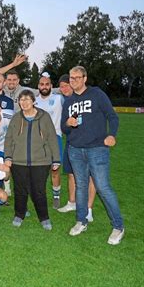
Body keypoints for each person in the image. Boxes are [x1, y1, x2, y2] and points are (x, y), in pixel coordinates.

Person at [62, 66, 124, 245]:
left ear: (85, 78)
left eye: (76, 78)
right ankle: (81, 221)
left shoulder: (97, 94)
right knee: (81, 186)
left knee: (103, 187)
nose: (73, 81)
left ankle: (118, 226)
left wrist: (111, 134)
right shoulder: (69, 101)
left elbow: (112, 116)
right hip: (75, 149)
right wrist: (68, 123)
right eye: (71, 79)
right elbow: (64, 128)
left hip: (97, 149)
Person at [4, 90, 60, 230]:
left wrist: (56, 159)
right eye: (21, 100)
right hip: (18, 161)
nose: (24, 103)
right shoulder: (16, 118)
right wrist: (8, 156)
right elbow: (9, 139)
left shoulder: (44, 117)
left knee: (39, 190)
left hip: (41, 161)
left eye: (27, 100)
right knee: (20, 190)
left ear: (34, 101)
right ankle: (19, 214)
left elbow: (52, 138)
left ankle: (44, 217)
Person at [57, 74, 97, 221]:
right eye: (61, 86)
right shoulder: (66, 101)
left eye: (67, 85)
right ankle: (72, 202)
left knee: (92, 176)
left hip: (91, 144)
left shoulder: (84, 98)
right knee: (71, 173)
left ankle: (89, 208)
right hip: (71, 142)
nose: (64, 88)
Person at [35, 72, 64, 209]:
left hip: (55, 138)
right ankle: (39, 197)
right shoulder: (34, 101)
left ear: (52, 86)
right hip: (38, 140)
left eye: (47, 84)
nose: (44, 86)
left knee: (55, 170)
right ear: (38, 86)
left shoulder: (59, 99)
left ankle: (56, 196)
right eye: (42, 84)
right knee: (38, 171)